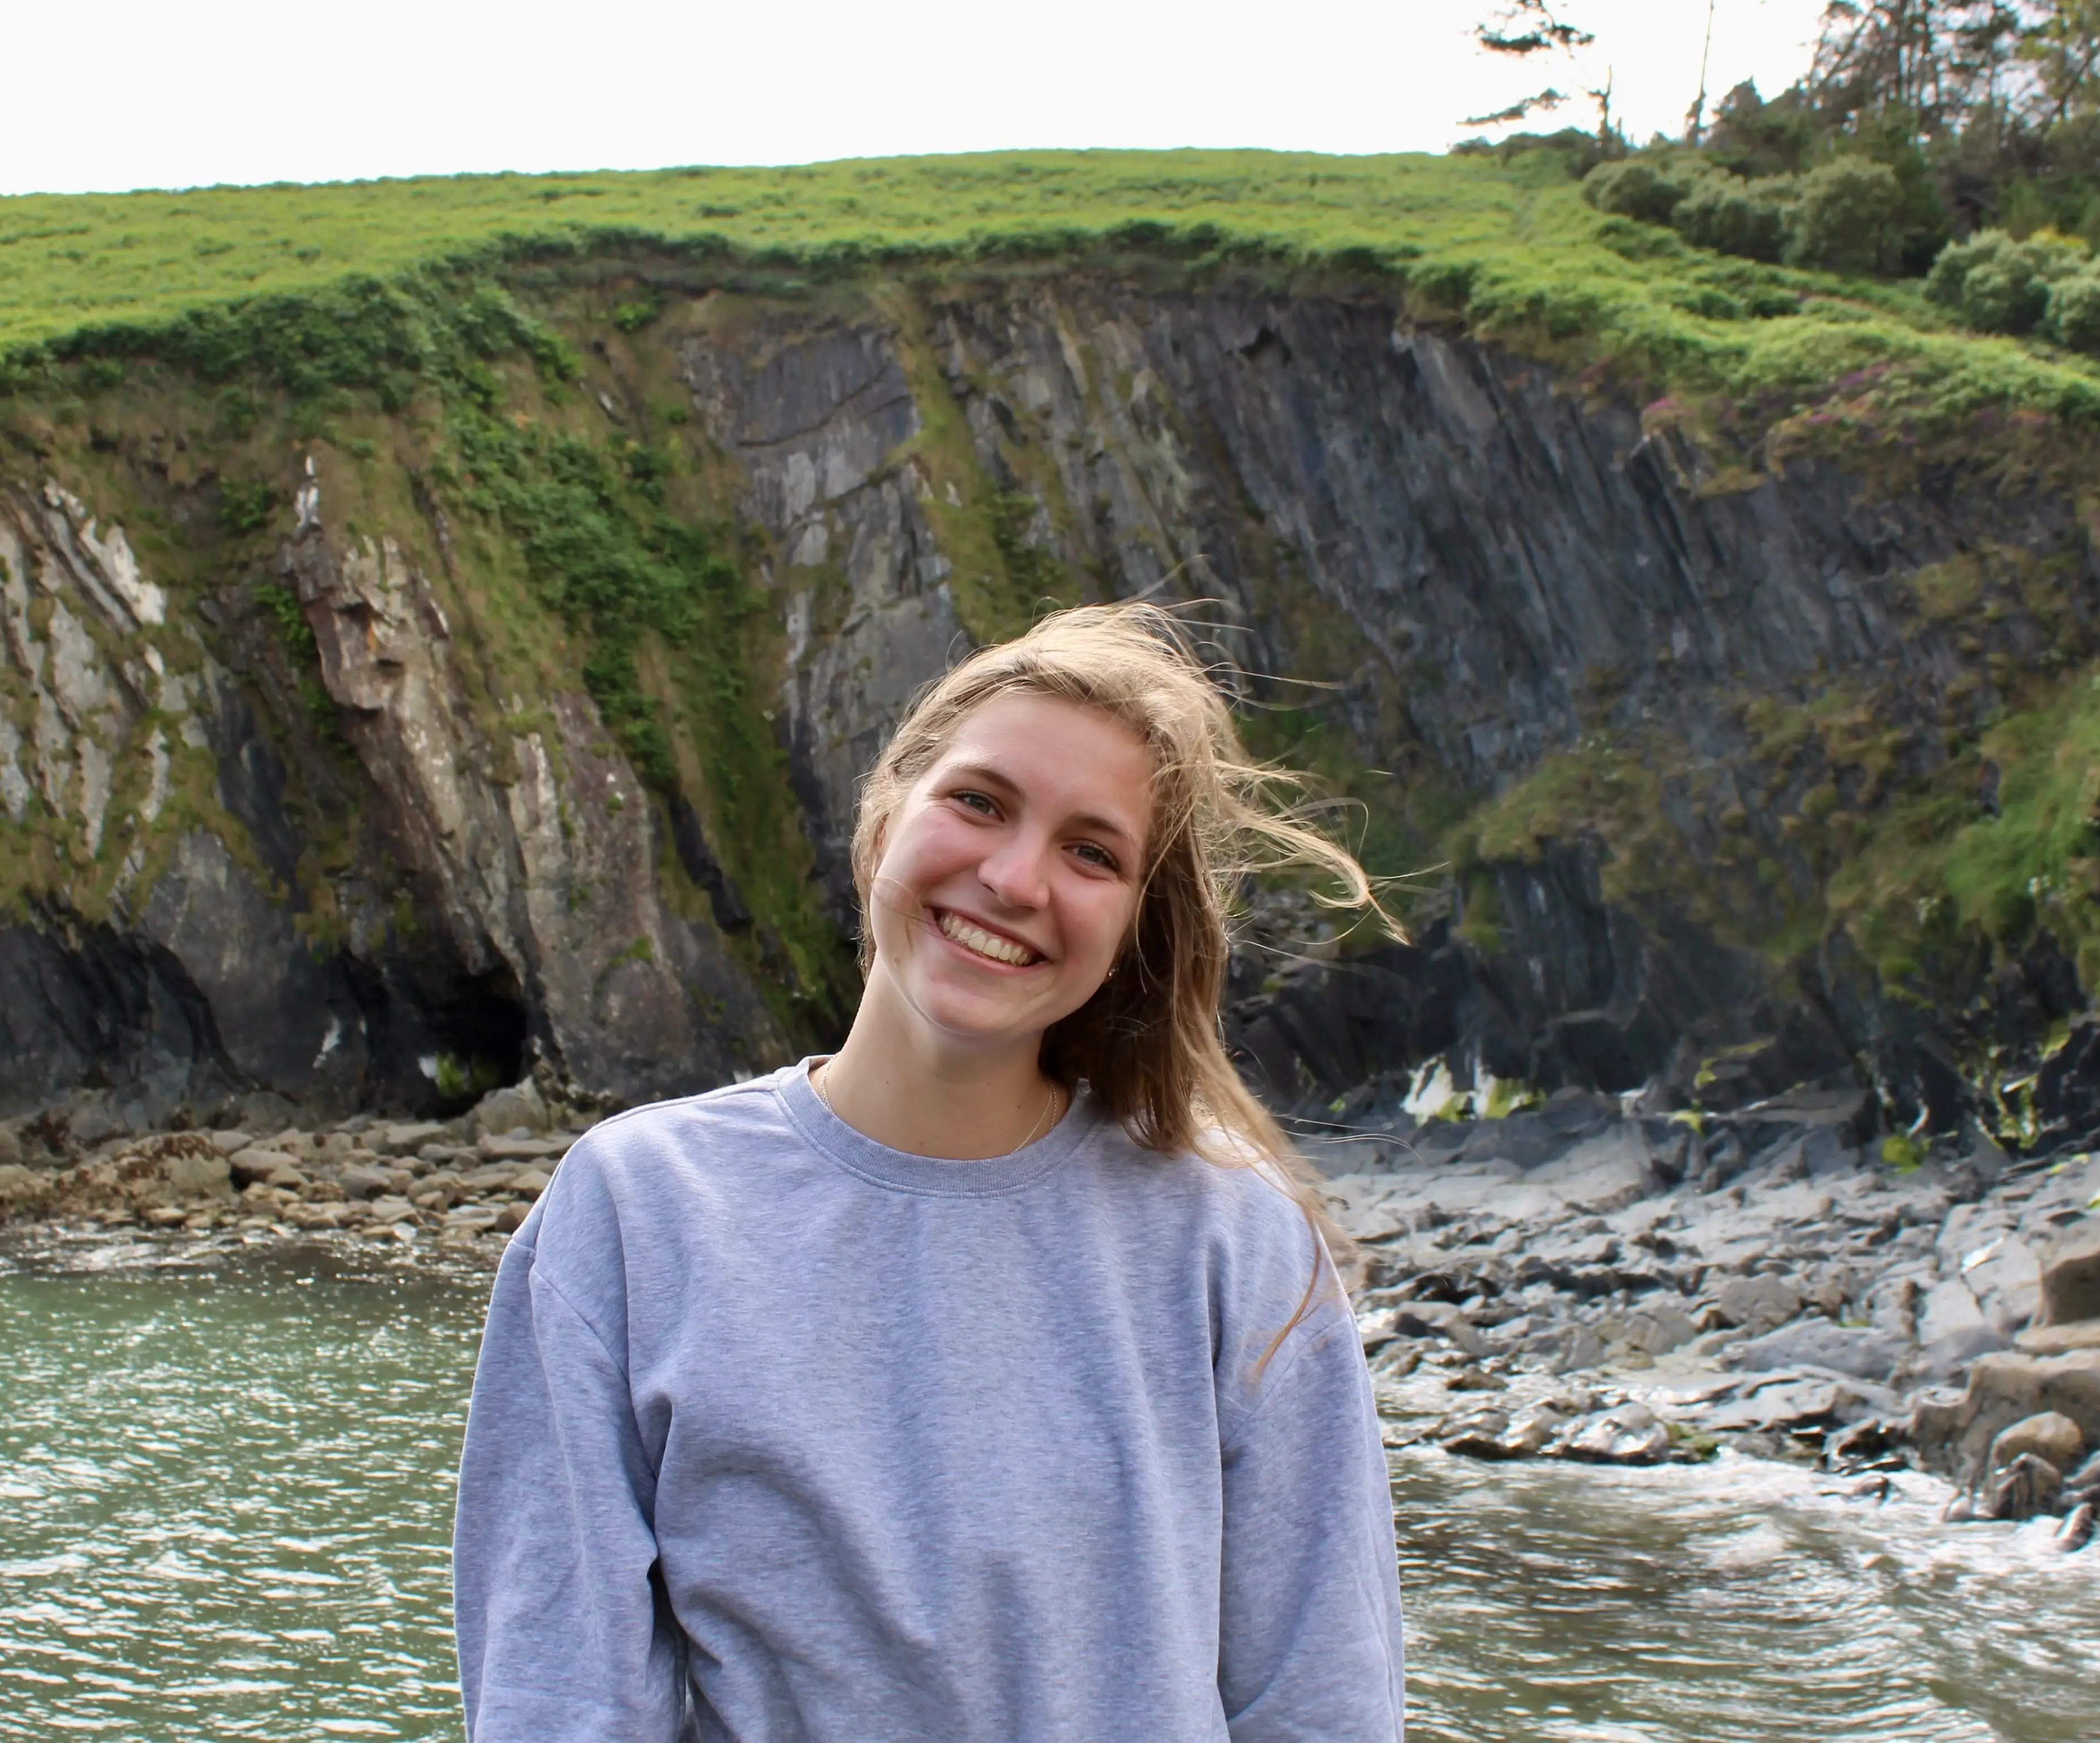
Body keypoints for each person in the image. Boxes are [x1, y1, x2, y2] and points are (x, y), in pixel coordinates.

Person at [452, 602, 1407, 1742]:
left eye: (1090, 853)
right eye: (978, 802)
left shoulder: (1230, 1244)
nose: (1013, 878)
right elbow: (558, 1701)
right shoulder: (636, 1209)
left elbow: (1321, 1707)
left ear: (1131, 931)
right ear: (881, 817)